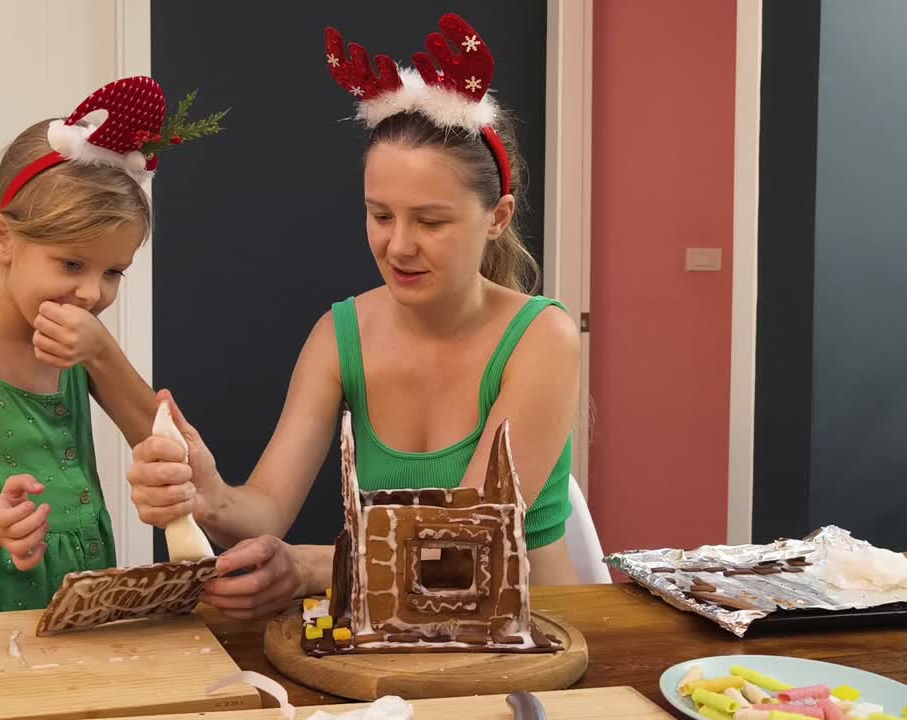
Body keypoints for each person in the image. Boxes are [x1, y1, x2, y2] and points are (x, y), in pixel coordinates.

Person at [127, 14, 581, 620]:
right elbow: (263, 510)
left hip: (542, 638)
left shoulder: (541, 337)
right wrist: (209, 497)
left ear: (496, 217)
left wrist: (311, 568)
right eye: (381, 215)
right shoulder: (340, 336)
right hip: (400, 634)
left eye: (431, 220)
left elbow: (468, 545)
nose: (399, 246)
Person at [0, 77, 226, 617]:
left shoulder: (76, 340)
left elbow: (164, 448)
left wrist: (101, 351)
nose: (92, 293)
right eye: (72, 264)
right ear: (3, 239)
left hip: (66, 612)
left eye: (114, 272)